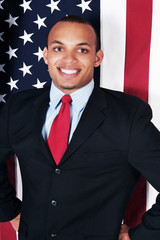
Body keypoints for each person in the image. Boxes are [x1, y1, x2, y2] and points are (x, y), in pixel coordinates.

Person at [0, 15, 160, 240]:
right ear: (46, 55)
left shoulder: (128, 116)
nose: (69, 59)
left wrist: (139, 236)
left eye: (82, 50)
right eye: (58, 48)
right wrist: (9, 209)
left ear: (97, 58)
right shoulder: (18, 107)